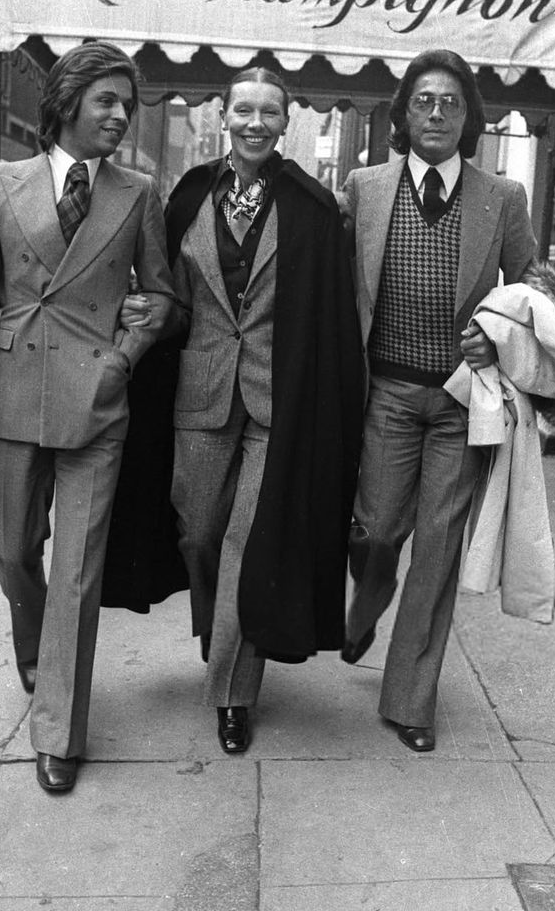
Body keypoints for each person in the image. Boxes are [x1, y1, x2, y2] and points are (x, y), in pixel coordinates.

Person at [0, 41, 179, 793]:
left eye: (127, 105)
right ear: (68, 102)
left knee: (76, 571)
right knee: (14, 551)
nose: (120, 116)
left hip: (97, 401)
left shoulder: (138, 192)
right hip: (15, 390)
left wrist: (128, 349)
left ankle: (58, 731)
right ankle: (37, 652)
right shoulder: (1, 183)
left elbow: (163, 293)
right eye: (107, 101)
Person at [125, 66, 364, 754]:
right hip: (200, 393)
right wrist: (151, 314)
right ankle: (222, 628)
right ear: (223, 117)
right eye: (244, 111)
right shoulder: (190, 194)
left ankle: (233, 695)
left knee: (248, 543)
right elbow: (174, 297)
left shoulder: (313, 207)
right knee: (199, 535)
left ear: (286, 123)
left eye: (270, 113)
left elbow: (328, 312)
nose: (256, 124)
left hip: (277, 401)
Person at [340, 48, 537, 753]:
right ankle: (368, 599)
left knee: (438, 548)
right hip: (386, 396)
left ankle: (409, 700)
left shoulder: (502, 197)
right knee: (375, 532)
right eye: (423, 100)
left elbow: (531, 289)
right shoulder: (365, 187)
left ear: (468, 118)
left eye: (451, 103)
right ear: (402, 113)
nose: (436, 113)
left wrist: (498, 336)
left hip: (461, 400)